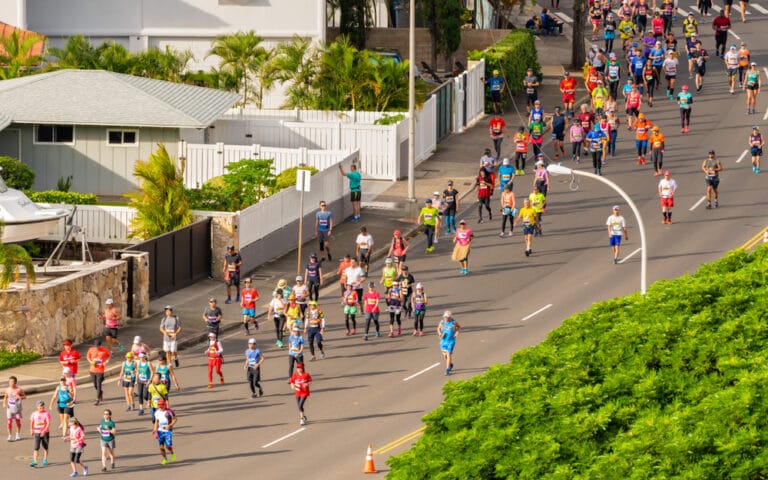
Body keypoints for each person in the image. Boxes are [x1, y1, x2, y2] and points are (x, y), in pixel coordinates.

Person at [152, 399, 177, 465]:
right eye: (159, 406)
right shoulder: (157, 412)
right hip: (160, 431)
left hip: (168, 431)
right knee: (161, 447)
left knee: (168, 446)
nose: (160, 407)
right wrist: (155, 429)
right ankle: (165, 459)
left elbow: (175, 419)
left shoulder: (169, 411)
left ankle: (172, 453)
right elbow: (156, 421)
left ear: (164, 405)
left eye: (161, 406)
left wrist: (170, 425)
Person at [86, 339, 110, 406]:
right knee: (95, 385)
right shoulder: (91, 349)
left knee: (99, 384)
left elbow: (108, 356)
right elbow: (88, 357)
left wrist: (106, 361)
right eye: (96, 346)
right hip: (92, 370)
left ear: (100, 345)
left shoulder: (104, 350)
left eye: (98, 346)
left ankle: (97, 399)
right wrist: (90, 362)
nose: (97, 347)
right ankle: (100, 392)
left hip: (100, 370)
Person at [437, 311, 461, 376]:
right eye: (445, 317)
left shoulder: (453, 322)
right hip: (443, 341)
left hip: (451, 341)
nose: (446, 318)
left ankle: (447, 369)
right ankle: (450, 364)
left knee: (449, 354)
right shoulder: (442, 322)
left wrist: (456, 333)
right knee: (445, 355)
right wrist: (440, 334)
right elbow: (438, 328)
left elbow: (459, 327)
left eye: (447, 317)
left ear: (450, 317)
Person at [29, 400, 50, 468]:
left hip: (45, 433)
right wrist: (31, 429)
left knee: (45, 447)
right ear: (37, 407)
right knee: (36, 447)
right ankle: (35, 461)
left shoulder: (46, 413)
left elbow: (48, 423)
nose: (42, 408)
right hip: (37, 432)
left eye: (43, 406)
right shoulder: (34, 414)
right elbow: (32, 422)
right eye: (40, 406)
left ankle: (45, 459)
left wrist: (44, 430)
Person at [4, 375, 25, 441]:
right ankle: (9, 436)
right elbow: (5, 397)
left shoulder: (19, 389)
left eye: (12, 382)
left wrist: (20, 397)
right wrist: (4, 403)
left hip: (17, 408)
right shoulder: (7, 390)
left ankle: (17, 435)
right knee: (9, 422)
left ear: (15, 382)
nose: (11, 383)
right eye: (10, 382)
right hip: (10, 407)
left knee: (17, 422)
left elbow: (25, 396)